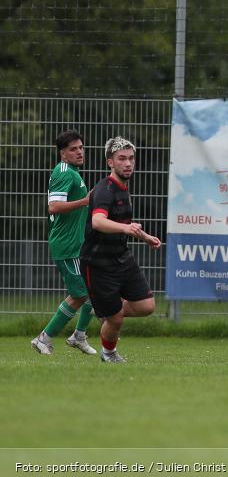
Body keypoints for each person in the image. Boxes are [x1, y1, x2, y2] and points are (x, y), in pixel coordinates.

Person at [80, 137, 160, 363]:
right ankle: (108, 353)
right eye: (121, 159)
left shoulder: (123, 188)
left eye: (131, 158)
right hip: (97, 264)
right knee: (115, 320)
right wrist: (127, 228)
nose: (128, 163)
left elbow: (125, 226)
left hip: (121, 258)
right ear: (110, 162)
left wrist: (145, 237)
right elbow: (98, 222)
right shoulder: (105, 189)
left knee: (146, 306)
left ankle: (105, 311)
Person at [31, 130, 97, 356]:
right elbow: (54, 207)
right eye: (73, 149)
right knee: (81, 294)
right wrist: (85, 201)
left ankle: (78, 336)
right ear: (62, 154)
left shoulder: (72, 172)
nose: (79, 152)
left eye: (81, 147)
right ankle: (44, 338)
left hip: (77, 243)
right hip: (67, 247)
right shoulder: (64, 172)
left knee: (93, 288)